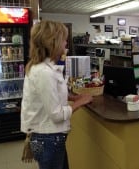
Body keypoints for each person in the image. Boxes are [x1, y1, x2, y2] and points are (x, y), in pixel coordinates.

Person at [21, 20, 93, 169]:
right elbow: (56, 114)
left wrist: (72, 97)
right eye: (64, 40)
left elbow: (46, 95)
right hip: (48, 139)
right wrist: (81, 102)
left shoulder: (41, 67)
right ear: (52, 42)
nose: (66, 44)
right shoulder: (44, 72)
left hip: (44, 138)